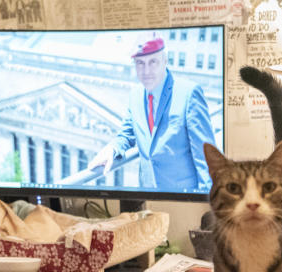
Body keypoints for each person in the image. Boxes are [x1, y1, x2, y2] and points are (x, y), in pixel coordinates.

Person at [88, 34, 215, 192]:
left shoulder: (188, 94)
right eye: (140, 63)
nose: (146, 71)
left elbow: (206, 158)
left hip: (183, 197)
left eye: (153, 62)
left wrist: (204, 204)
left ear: (165, 61)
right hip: (148, 195)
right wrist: (112, 149)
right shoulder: (135, 95)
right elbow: (127, 134)